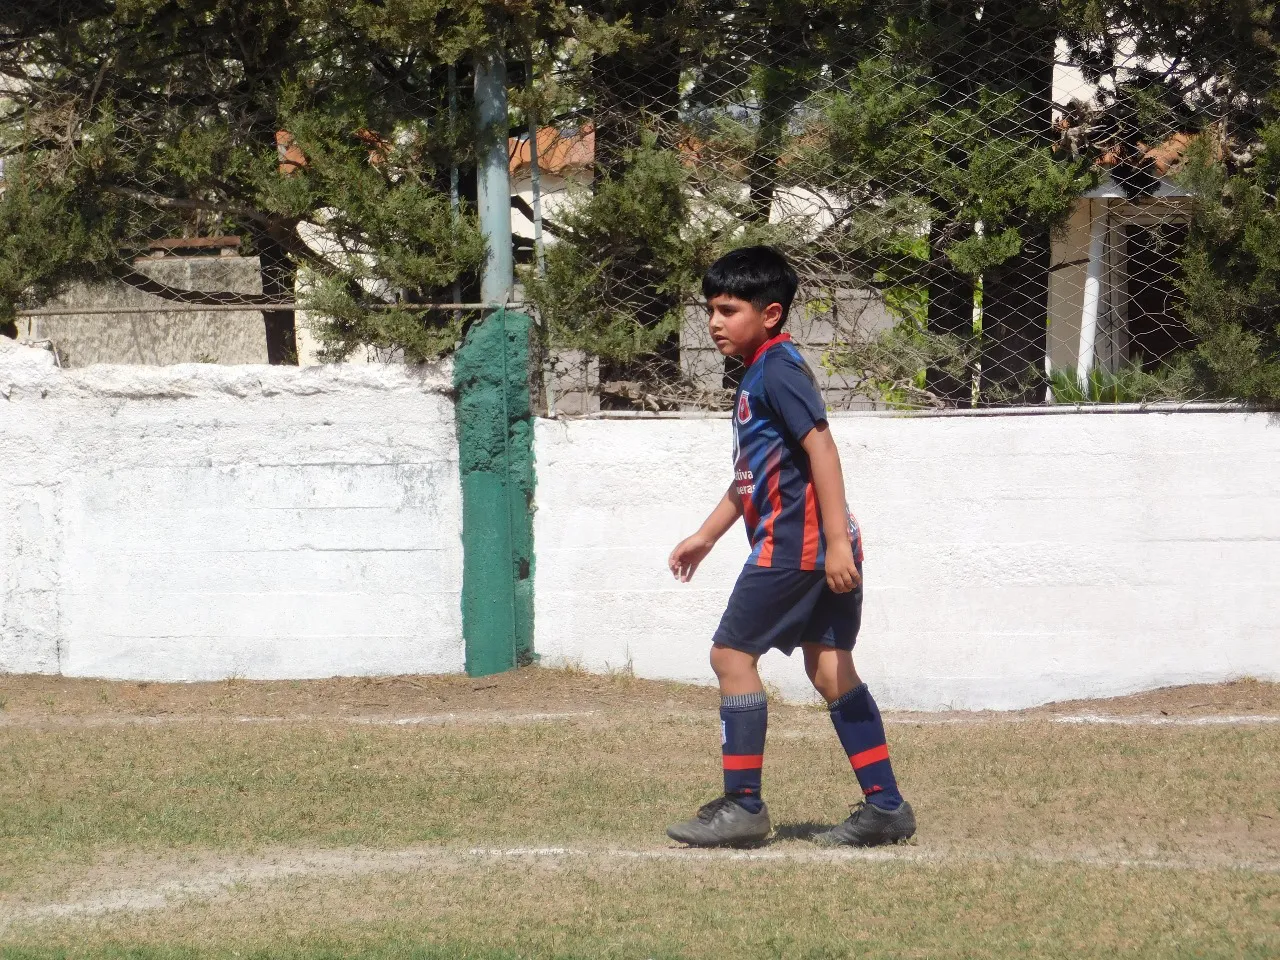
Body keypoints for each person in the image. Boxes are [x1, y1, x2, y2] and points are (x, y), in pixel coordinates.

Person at [665, 246, 916, 848]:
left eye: (728, 310)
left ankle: (743, 806)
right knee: (830, 668)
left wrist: (833, 544)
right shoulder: (761, 371)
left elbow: (822, 449)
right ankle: (886, 807)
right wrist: (707, 533)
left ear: (770, 313)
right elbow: (752, 474)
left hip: (795, 547)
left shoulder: (776, 370)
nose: (714, 322)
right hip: (813, 545)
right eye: (710, 310)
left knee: (730, 656)